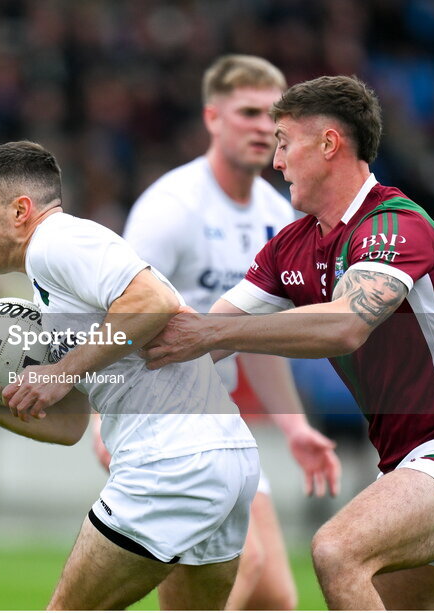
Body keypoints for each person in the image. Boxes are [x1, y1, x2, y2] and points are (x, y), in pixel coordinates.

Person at [142, 75, 434, 610]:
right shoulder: (289, 248)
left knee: (336, 549)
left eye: (283, 141)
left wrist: (212, 332)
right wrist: (67, 366)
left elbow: (346, 323)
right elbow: (199, 335)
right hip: (404, 464)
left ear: (328, 144)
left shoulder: (395, 225)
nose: (275, 161)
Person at [0, 141, 260, 610]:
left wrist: (58, 372)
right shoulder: (52, 282)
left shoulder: (56, 242)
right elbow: (70, 426)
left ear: (21, 211)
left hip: (170, 461)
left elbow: (153, 301)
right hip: (224, 456)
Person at [112, 54, 341, 610]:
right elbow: (113, 316)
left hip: (217, 420)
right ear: (213, 118)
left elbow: (256, 337)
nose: (265, 127)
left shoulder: (280, 215)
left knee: (274, 599)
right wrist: (103, 423)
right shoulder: (170, 207)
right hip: (157, 410)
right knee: (243, 567)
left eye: (275, 116)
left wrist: (294, 429)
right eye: (249, 112)